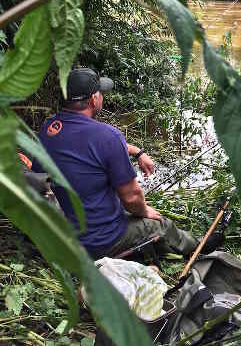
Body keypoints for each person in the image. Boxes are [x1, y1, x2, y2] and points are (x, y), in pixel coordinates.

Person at [31, 67, 200, 260]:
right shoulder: (108, 136)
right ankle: (199, 247)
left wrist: (137, 151)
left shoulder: (50, 128)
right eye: (101, 93)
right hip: (97, 242)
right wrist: (145, 211)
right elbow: (131, 200)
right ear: (94, 99)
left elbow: (87, 146)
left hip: (60, 237)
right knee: (161, 225)